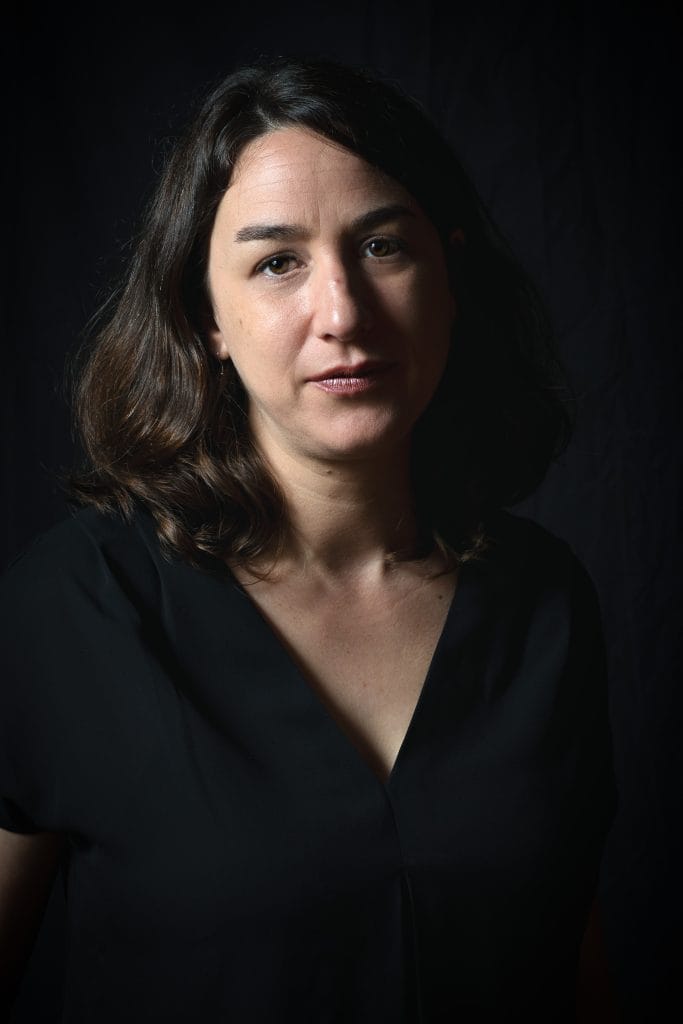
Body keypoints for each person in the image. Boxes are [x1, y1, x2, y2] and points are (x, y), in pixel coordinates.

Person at [0, 57, 618, 1022]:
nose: (343, 313)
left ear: (449, 276)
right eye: (276, 262)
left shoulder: (542, 601)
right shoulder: (71, 609)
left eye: (381, 246)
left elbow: (572, 974)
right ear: (205, 315)